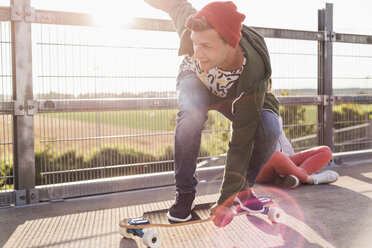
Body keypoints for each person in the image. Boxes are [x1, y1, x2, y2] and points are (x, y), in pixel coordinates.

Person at [144, 0, 281, 228]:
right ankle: (185, 193)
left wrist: (225, 200)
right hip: (195, 79)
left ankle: (243, 191)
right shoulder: (194, 22)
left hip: (236, 92)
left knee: (269, 128)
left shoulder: (254, 69)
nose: (198, 53)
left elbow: (241, 141)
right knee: (191, 111)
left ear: (231, 44)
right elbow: (173, 4)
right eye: (195, 44)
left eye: (206, 46)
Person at [256, 118, 339, 188]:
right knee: (274, 154)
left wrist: (290, 166)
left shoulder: (273, 110)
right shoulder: (246, 113)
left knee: (325, 151)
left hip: (278, 161)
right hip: (258, 169)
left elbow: (283, 141)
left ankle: (290, 178)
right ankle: (311, 179)